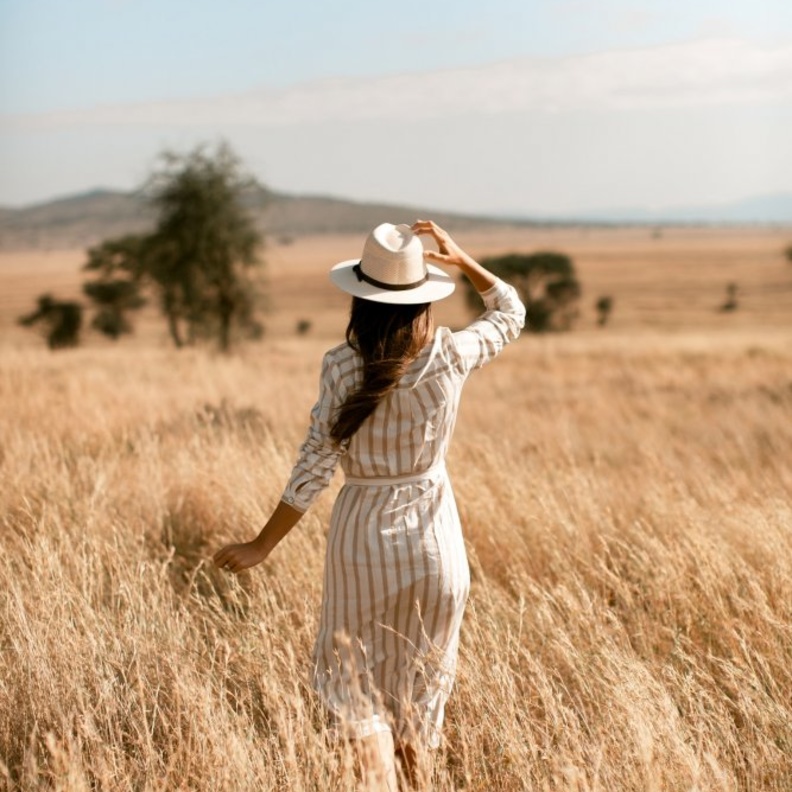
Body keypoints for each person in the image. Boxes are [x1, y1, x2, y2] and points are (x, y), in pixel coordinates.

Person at [213, 220, 526, 789]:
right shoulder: (452, 354)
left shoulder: (340, 365)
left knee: (352, 687)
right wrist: (463, 259)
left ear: (361, 298)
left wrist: (262, 544)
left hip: (363, 540)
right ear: (421, 297)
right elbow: (510, 313)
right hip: (439, 550)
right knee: (420, 693)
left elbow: (315, 462)